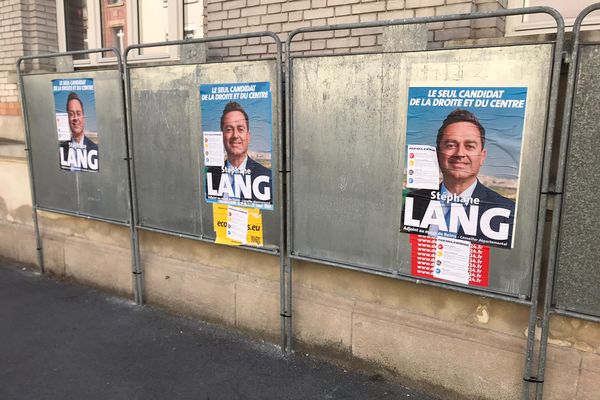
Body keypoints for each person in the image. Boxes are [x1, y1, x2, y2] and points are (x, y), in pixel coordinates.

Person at [403, 109, 515, 247]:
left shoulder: (505, 211)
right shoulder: (415, 201)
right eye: (450, 145)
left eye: (469, 146)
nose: (460, 153)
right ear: (438, 154)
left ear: (482, 156)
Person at [206, 101, 272, 204]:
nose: (235, 135)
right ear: (222, 136)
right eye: (229, 129)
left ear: (248, 136)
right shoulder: (211, 175)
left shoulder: (266, 178)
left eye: (240, 129)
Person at [59, 91, 99, 172]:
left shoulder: (95, 150)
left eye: (78, 113)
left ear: (83, 117)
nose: (75, 118)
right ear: (67, 118)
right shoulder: (60, 150)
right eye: (71, 114)